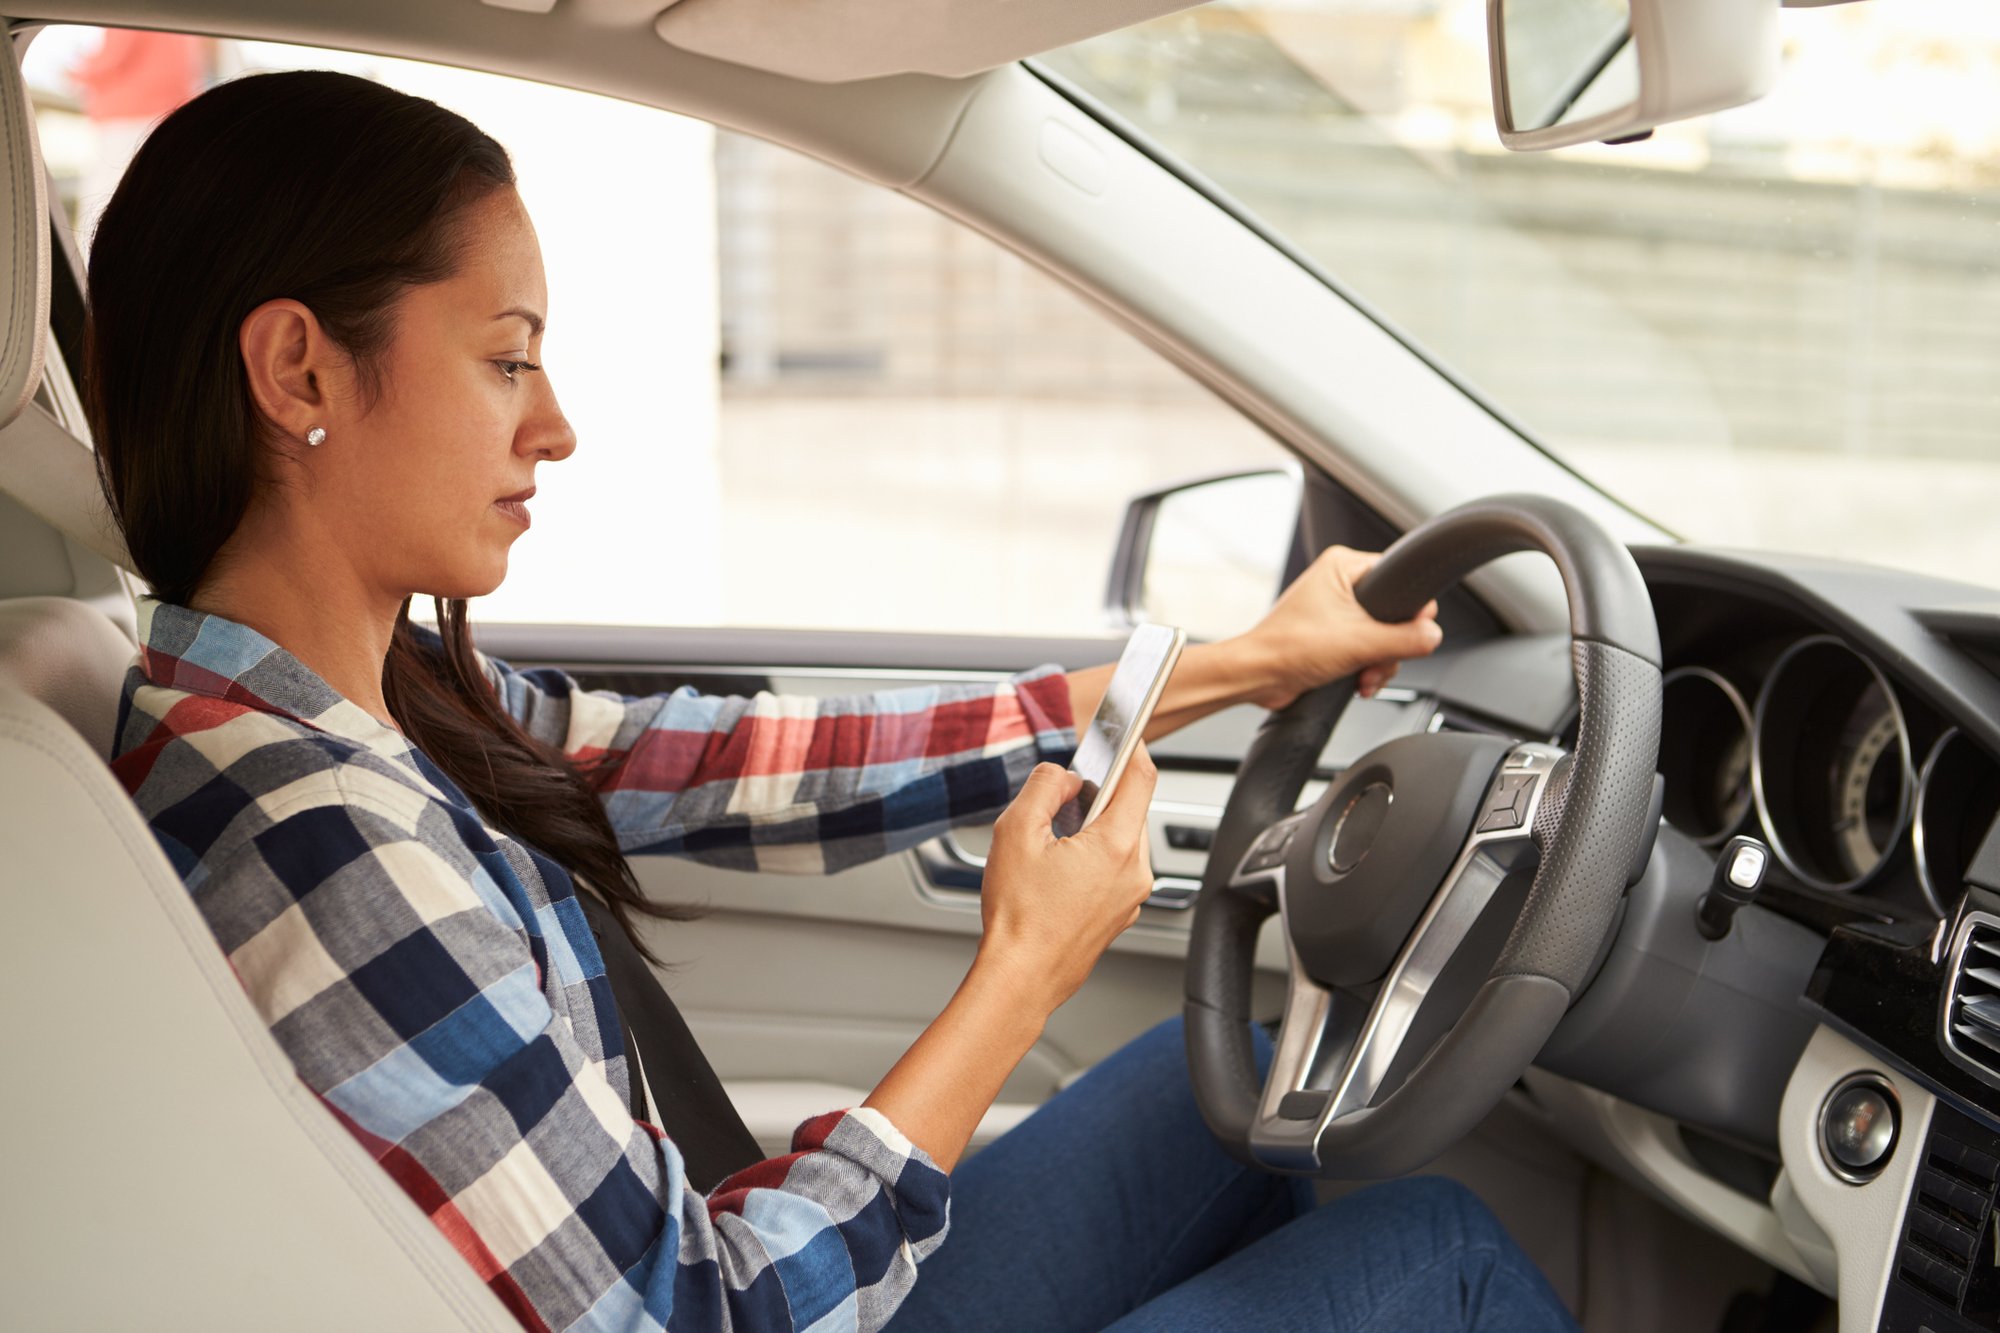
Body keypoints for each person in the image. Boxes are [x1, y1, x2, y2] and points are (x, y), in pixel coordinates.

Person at [91, 69, 1576, 1332]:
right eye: (507, 359)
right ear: (300, 369)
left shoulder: (354, 706)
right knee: (1433, 1258)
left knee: (1222, 1094)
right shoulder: (324, 845)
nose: (554, 425)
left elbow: (737, 761)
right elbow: (703, 1311)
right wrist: (1019, 971)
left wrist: (1244, 662)